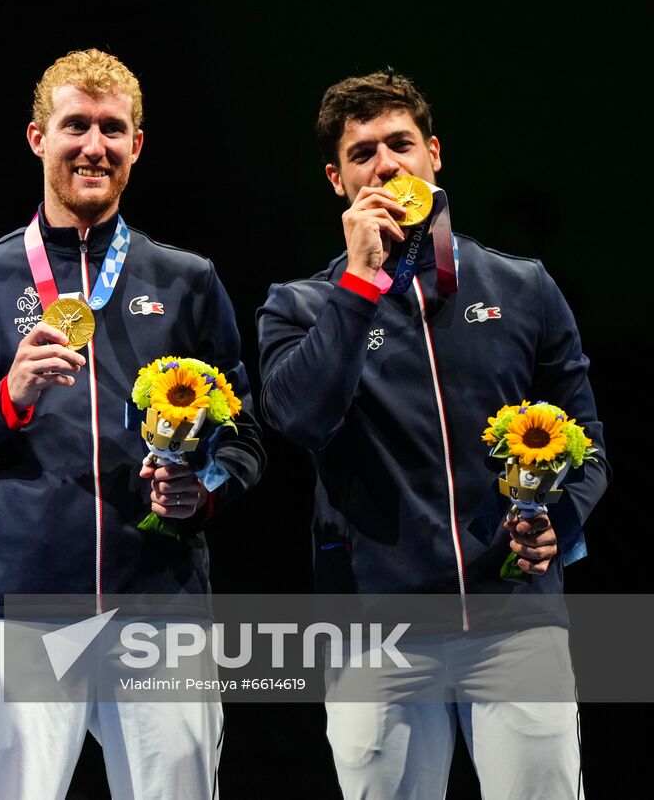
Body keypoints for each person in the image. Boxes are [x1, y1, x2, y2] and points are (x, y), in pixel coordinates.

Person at [0, 49, 264, 799]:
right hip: (21, 612)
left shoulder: (186, 282)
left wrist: (207, 488)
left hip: (158, 610)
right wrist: (7, 398)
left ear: (137, 144)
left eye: (112, 128)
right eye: (75, 126)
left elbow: (248, 433)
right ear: (38, 138)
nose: (93, 145)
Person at [256, 70, 609, 798]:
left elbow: (589, 441)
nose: (385, 165)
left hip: (516, 621)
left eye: (400, 144)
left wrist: (562, 523)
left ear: (434, 155)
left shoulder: (522, 287)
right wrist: (357, 288)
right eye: (362, 154)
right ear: (337, 179)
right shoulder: (299, 306)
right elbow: (299, 419)